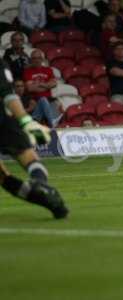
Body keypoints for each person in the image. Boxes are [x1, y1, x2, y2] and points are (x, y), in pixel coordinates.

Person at [0, 58, 68, 219]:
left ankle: (47, 198)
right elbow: (8, 96)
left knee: (3, 177)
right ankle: (43, 188)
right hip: (5, 117)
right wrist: (27, 121)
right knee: (28, 158)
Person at [23, 49, 61, 126]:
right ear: (31, 60)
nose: (36, 60)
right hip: (35, 101)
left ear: (42, 59)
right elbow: (30, 88)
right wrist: (47, 85)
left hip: (49, 101)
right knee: (43, 99)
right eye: (34, 58)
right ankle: (53, 122)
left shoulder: (48, 70)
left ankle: (51, 122)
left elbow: (54, 84)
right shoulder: (27, 71)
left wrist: (38, 84)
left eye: (38, 58)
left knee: (55, 103)